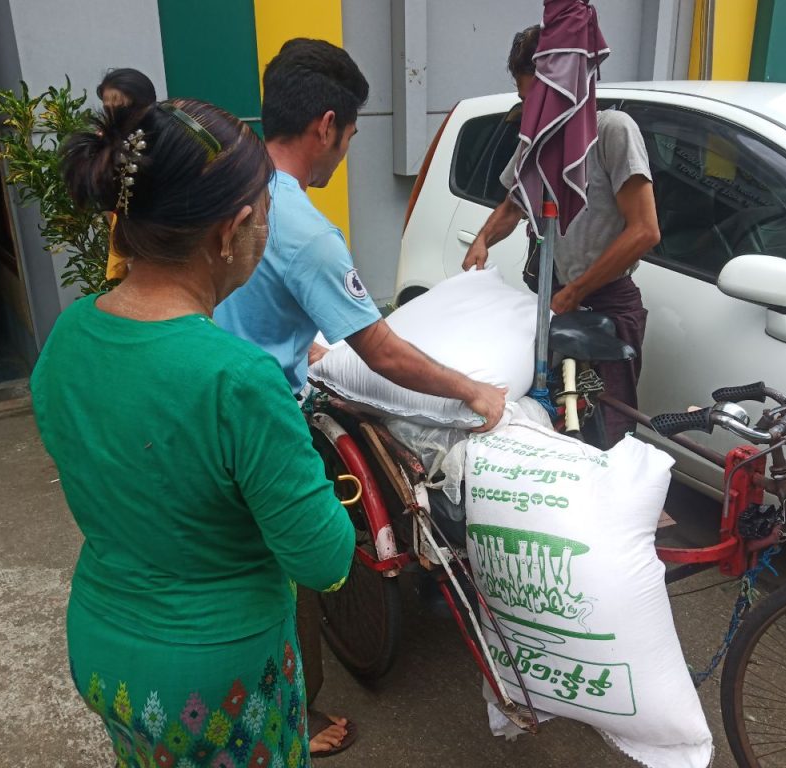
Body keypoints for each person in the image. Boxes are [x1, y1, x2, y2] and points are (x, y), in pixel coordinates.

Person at [32, 96, 354, 768]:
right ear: (231, 231)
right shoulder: (237, 379)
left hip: (104, 652)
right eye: (265, 216)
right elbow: (324, 560)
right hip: (216, 686)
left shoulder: (69, 335)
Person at [213, 38, 506, 757]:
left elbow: (247, 301)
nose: (346, 150)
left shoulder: (223, 184)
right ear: (326, 126)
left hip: (205, 395)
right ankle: (298, 713)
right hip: (258, 424)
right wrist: (472, 389)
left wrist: (298, 344)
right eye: (350, 134)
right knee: (297, 571)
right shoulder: (306, 231)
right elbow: (383, 352)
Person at [463, 25, 660, 447]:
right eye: (525, 100)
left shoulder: (613, 131)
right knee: (555, 418)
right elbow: (513, 206)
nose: (531, 111)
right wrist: (481, 241)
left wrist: (577, 290)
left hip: (607, 304)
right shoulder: (536, 145)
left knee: (609, 429)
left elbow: (645, 230)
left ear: (566, 88)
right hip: (555, 300)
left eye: (537, 99)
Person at [96, 68, 157, 283]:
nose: (114, 114)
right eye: (107, 108)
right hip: (128, 234)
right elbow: (106, 200)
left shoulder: (165, 138)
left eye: (121, 107)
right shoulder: (104, 143)